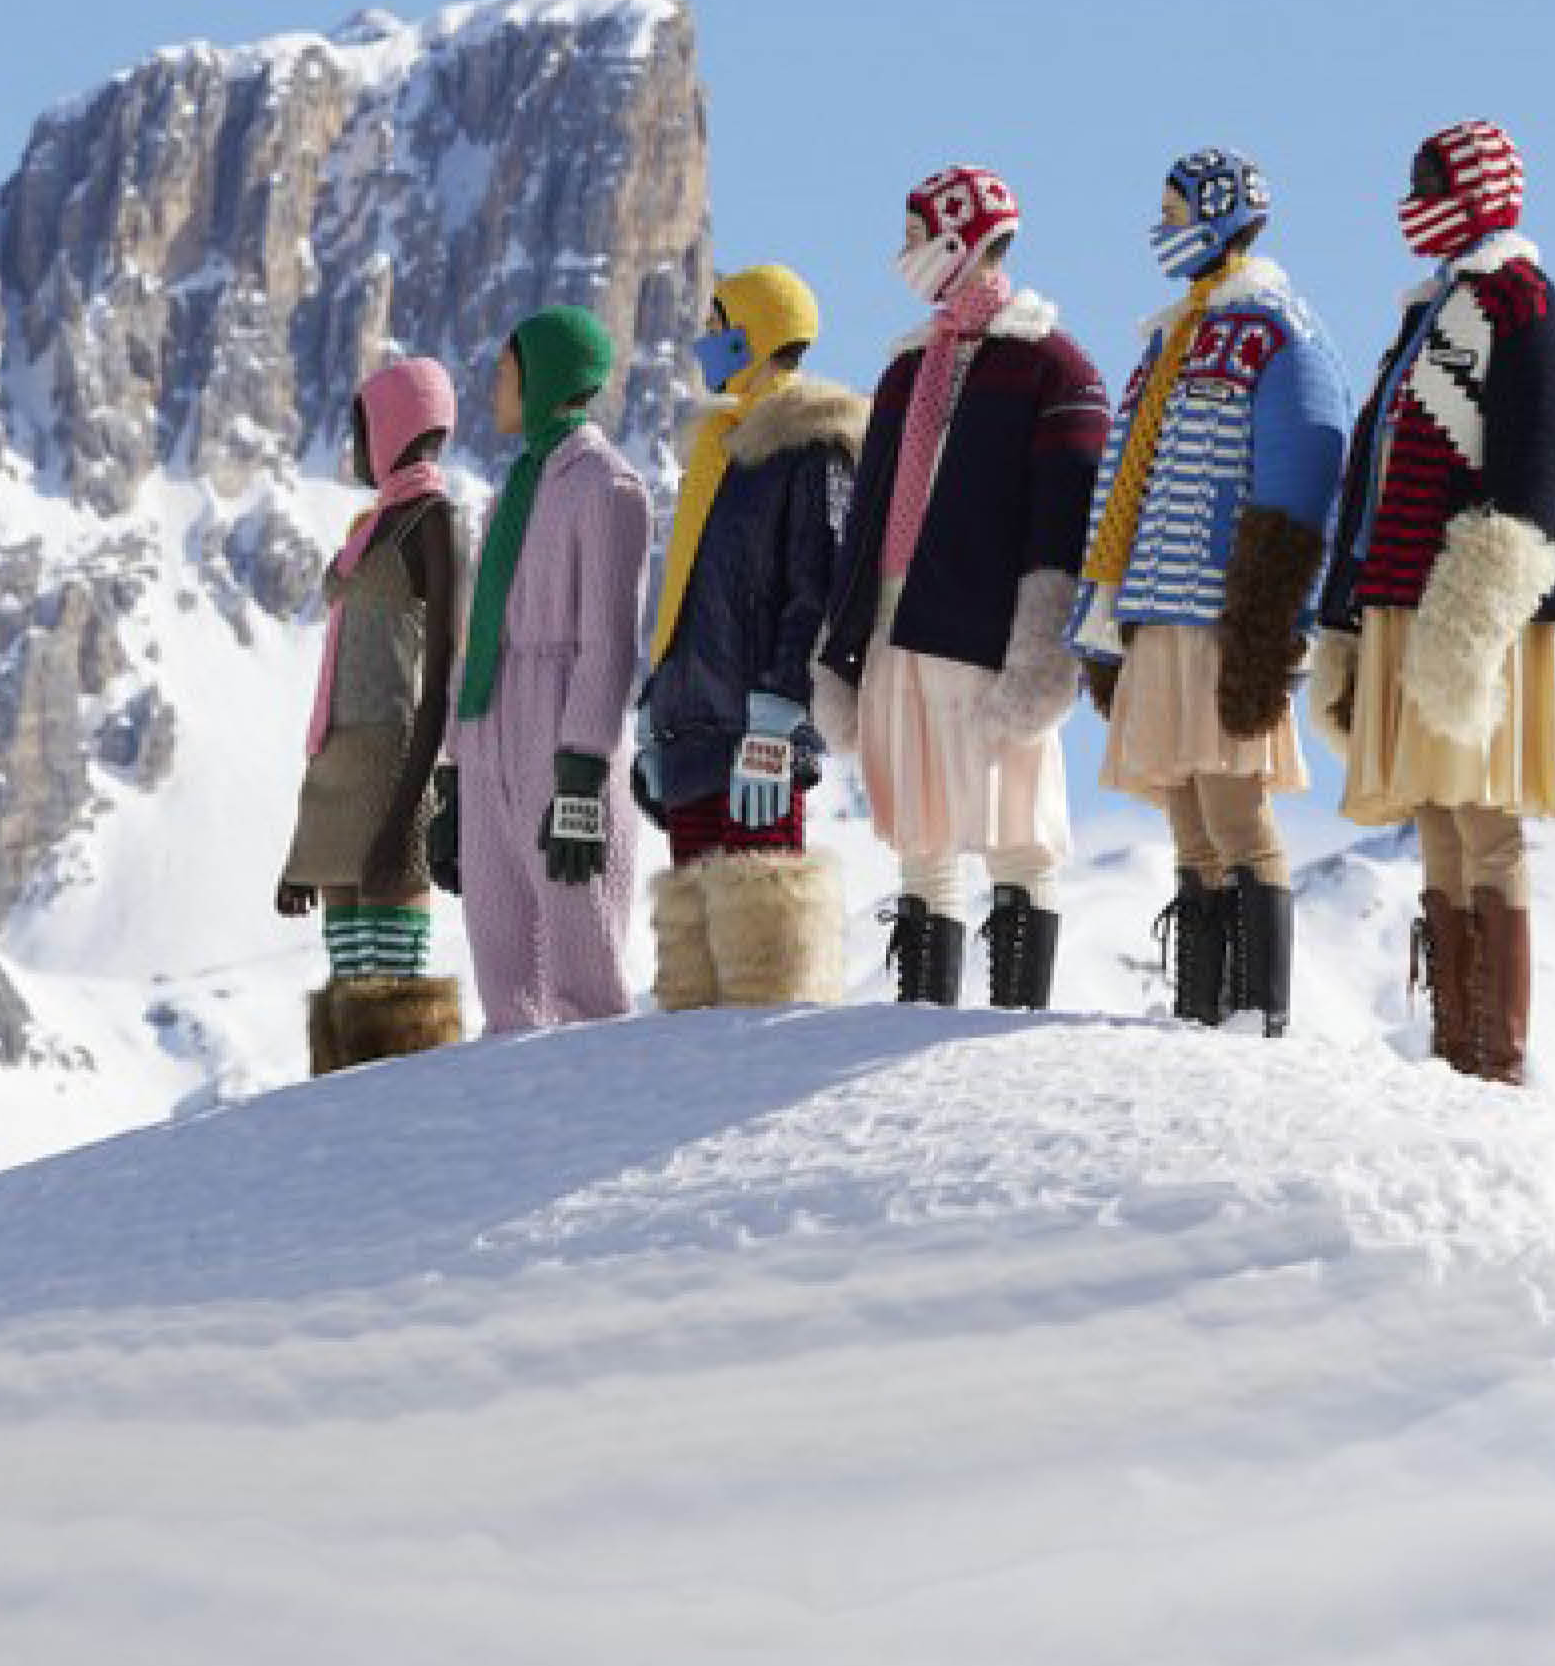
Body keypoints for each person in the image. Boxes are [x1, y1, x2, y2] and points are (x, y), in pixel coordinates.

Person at [1310, 121, 1555, 1084]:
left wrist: (1479, 601)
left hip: (1478, 603)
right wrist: (1346, 607)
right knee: (1438, 811)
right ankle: (1455, 1038)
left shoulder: (1519, 309)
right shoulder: (1438, 310)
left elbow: (1539, 458)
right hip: (1406, 592)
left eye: (1424, 181)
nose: (1408, 198)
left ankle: (1497, 1052)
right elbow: (1372, 471)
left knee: (1484, 816)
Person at [814, 166, 1109, 1009]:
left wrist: (1042, 653)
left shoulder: (1051, 364)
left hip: (987, 627)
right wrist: (843, 633)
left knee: (1011, 820)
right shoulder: (908, 369)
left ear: (959, 237)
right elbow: (868, 513)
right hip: (896, 618)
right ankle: (921, 1009)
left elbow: (1063, 521)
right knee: (918, 823)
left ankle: (1013, 1010)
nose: (902, 254)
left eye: (914, 236)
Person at [1072, 150, 1350, 1032]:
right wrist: (1107, 615)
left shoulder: (1274, 331)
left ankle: (1257, 1010)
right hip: (1155, 607)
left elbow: (1305, 467)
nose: (1160, 227)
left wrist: (1271, 624)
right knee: (1188, 820)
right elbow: (1127, 480)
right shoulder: (1167, 338)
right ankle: (1200, 1006)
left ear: (1222, 214)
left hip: (1224, 615)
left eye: (1173, 209)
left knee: (1237, 813)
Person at [636, 265, 867, 1011]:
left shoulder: (810, 446)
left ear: (756, 334)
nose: (704, 341)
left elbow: (818, 589)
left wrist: (781, 708)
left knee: (763, 960)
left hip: (755, 730)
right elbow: (693, 597)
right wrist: (656, 700)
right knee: (694, 969)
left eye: (716, 325)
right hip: (692, 729)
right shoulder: (718, 451)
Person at [427, 307, 654, 1033]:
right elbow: (480, 632)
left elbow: (609, 641)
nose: (494, 387)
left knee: (579, 949)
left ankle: (597, 1109)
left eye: (506, 372)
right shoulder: (509, 492)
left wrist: (582, 769)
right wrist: (454, 771)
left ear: (547, 378)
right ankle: (512, 1121)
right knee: (501, 960)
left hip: (560, 726)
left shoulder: (608, 488)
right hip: (492, 716)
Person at [278, 356, 469, 1071]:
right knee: (348, 980)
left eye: (361, 428)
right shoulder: (374, 526)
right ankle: (343, 1143)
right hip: (339, 768)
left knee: (394, 996)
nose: (354, 447)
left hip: (396, 760)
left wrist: (408, 808)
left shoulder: (432, 522)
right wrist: (302, 853)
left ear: (393, 427)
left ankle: (396, 1140)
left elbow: (443, 666)